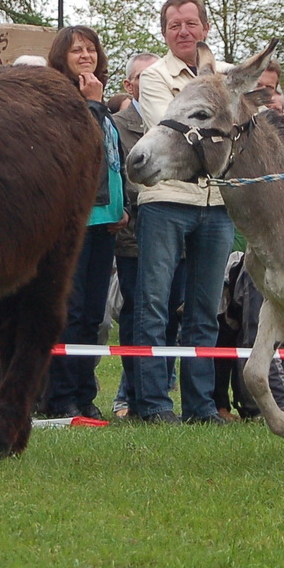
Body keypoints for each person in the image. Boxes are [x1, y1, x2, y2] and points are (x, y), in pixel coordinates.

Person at [131, 0, 233, 424]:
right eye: (174, 25)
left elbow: (244, 130)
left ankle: (201, 406)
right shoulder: (154, 76)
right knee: (153, 304)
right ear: (164, 33)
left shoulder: (228, 74)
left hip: (220, 203)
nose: (183, 31)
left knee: (205, 309)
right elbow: (177, 131)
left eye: (191, 23)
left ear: (205, 28)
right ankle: (153, 403)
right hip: (165, 199)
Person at [42, 26, 123, 420]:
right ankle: (59, 397)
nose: (86, 56)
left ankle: (85, 394)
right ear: (62, 57)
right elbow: (80, 147)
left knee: (94, 315)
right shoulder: (56, 98)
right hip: (70, 222)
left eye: (91, 49)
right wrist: (93, 104)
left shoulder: (98, 100)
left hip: (104, 220)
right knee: (69, 312)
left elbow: (112, 158)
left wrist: (122, 204)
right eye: (77, 50)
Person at [111, 51, 160, 418]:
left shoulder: (173, 119)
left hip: (173, 237)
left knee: (167, 315)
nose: (151, 81)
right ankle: (132, 395)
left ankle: (156, 392)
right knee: (137, 314)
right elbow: (120, 175)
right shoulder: (116, 125)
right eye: (143, 76)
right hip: (133, 236)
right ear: (129, 85)